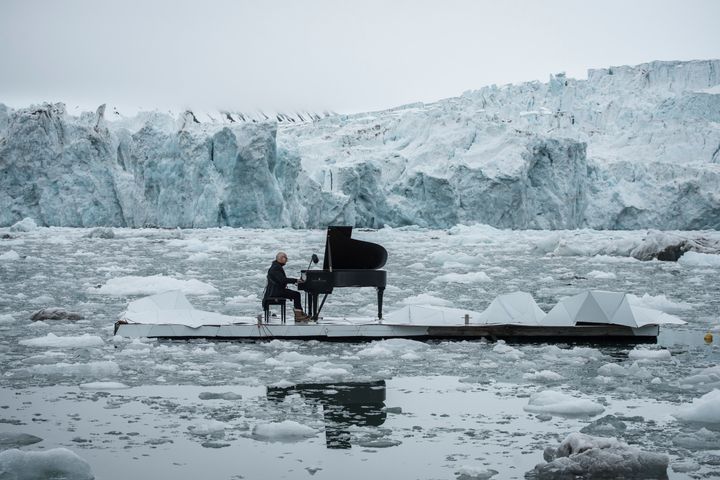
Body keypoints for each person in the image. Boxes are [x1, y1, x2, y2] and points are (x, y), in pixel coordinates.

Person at [263, 251, 311, 322]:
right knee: (296, 295)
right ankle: (298, 316)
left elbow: (280, 280)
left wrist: (294, 281)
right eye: (286, 258)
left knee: (295, 294)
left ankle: (299, 313)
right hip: (276, 292)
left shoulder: (275, 266)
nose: (286, 260)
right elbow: (282, 280)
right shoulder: (276, 268)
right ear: (282, 258)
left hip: (275, 290)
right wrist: (296, 280)